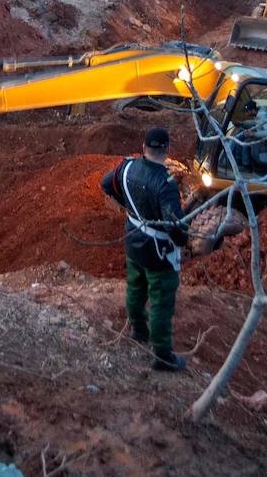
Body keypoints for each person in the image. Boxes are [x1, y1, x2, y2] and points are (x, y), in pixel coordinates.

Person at [99, 127, 189, 372]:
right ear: (167, 150)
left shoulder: (127, 168)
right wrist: (184, 240)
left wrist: (126, 205)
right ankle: (162, 355)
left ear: (143, 148)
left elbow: (106, 183)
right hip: (158, 252)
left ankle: (138, 330)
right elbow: (174, 224)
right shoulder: (165, 183)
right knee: (161, 301)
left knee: (135, 288)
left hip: (133, 240)